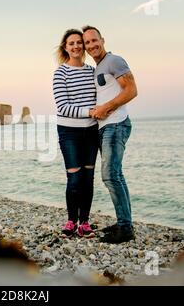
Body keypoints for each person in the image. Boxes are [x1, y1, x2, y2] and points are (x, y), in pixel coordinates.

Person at [82, 25, 138, 243]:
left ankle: (125, 228)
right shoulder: (98, 67)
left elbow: (132, 90)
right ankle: (124, 223)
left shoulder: (114, 61)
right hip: (105, 127)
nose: (92, 45)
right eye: (88, 43)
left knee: (110, 175)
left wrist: (106, 108)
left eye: (94, 40)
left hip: (116, 125)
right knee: (116, 175)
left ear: (102, 40)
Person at [53, 29, 99, 238]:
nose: (76, 46)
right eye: (71, 43)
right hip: (68, 132)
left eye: (79, 43)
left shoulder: (92, 72)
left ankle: (85, 223)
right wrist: (89, 111)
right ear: (65, 47)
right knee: (74, 179)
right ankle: (71, 221)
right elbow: (63, 107)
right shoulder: (60, 73)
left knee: (88, 178)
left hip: (91, 131)